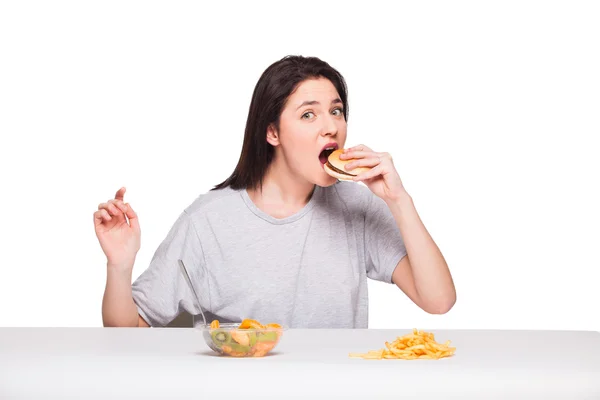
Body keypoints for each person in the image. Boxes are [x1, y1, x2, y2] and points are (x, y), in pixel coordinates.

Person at [94, 55, 456, 329]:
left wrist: (399, 200)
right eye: (308, 115)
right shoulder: (208, 221)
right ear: (272, 133)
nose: (331, 126)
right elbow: (128, 330)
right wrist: (120, 265)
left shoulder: (355, 206)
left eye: (336, 111)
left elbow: (438, 301)